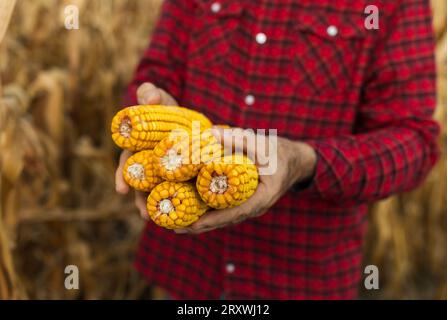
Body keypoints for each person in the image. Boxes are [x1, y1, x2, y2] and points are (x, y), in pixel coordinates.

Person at [115, 0, 439, 299]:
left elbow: (413, 141)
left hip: (298, 278)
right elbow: (156, 73)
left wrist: (303, 161)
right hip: (186, 261)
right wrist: (151, 118)